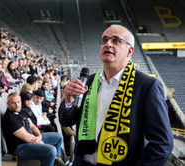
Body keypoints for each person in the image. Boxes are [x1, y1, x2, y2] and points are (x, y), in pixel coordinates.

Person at [58, 24, 173, 166]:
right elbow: (66, 121)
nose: (108, 44)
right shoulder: (89, 81)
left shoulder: (147, 86)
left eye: (116, 40)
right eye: (104, 39)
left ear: (129, 51)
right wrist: (68, 101)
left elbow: (162, 144)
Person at [2, 93, 64, 166]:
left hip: (32, 139)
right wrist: (39, 141)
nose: (17, 105)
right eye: (13, 103)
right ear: (8, 103)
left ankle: (56, 162)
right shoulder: (9, 118)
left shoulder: (21, 111)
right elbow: (27, 138)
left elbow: (33, 126)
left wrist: (39, 136)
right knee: (51, 150)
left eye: (18, 102)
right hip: (21, 147)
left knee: (59, 137)